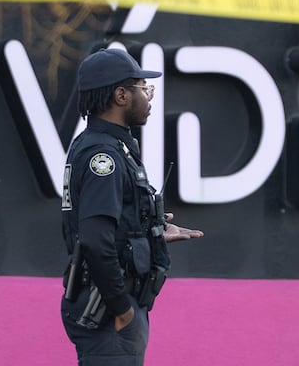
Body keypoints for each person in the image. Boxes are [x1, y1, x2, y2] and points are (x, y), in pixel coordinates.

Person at [60, 48, 203, 366]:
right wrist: (122, 307)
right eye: (143, 88)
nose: (149, 97)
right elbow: (96, 240)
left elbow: (111, 225)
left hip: (113, 309)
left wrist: (151, 232)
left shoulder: (109, 146)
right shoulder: (104, 156)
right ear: (121, 95)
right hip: (108, 311)